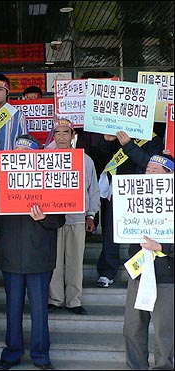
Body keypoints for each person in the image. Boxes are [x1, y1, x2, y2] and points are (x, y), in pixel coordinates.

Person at [0, 135, 65, 371]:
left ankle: (40, 355)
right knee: (12, 310)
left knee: (40, 311)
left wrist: (45, 218)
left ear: (36, 157)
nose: (20, 157)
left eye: (26, 153)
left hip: (40, 256)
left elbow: (60, 218)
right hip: (11, 255)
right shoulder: (2, 183)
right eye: (17, 152)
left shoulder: (49, 180)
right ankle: (12, 353)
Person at [123, 153, 174, 370]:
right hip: (139, 273)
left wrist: (162, 247)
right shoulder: (134, 199)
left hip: (166, 278)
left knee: (164, 333)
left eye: (155, 169)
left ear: (169, 175)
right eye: (147, 169)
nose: (149, 172)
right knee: (132, 328)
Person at [96, 130, 164, 288]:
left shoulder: (153, 139)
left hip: (143, 194)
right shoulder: (116, 135)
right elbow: (100, 162)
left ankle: (140, 272)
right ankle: (107, 272)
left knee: (141, 236)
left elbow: (149, 163)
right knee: (112, 233)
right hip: (119, 191)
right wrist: (106, 142)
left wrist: (128, 145)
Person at [47, 119, 100, 315]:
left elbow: (93, 190)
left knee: (75, 261)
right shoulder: (45, 158)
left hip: (77, 218)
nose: (61, 137)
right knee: (54, 261)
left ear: (72, 136)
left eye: (65, 133)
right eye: (57, 133)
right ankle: (55, 298)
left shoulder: (85, 160)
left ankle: (74, 300)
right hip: (51, 219)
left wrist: (91, 215)